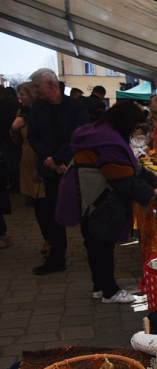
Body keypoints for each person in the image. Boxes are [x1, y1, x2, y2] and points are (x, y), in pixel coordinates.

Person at [70, 101, 157, 303]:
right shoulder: (109, 140)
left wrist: (154, 180)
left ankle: (99, 287)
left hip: (87, 197)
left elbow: (131, 167)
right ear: (126, 121)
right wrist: (151, 191)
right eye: (135, 125)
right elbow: (122, 177)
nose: (135, 129)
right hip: (97, 199)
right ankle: (110, 292)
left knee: (94, 245)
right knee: (102, 245)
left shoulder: (103, 132)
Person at [27, 68, 89, 275]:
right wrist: (51, 160)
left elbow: (80, 136)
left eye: (37, 86)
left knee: (84, 211)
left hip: (75, 167)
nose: (35, 90)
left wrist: (58, 158)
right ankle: (57, 258)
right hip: (50, 169)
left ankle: (93, 251)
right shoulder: (38, 107)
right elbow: (33, 136)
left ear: (51, 85)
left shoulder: (75, 106)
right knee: (54, 215)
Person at [10, 82, 47, 254]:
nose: (20, 98)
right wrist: (14, 128)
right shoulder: (21, 113)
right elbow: (16, 142)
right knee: (38, 207)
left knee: (49, 204)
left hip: (47, 163)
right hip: (28, 165)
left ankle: (54, 241)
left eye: (22, 94)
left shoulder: (45, 111)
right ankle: (47, 239)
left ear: (32, 94)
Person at [0, 86, 21, 193]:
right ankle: (16, 184)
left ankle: (16, 184)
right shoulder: (13, 104)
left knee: (11, 163)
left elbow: (3, 123)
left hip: (5, 138)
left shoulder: (4, 105)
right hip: (10, 138)